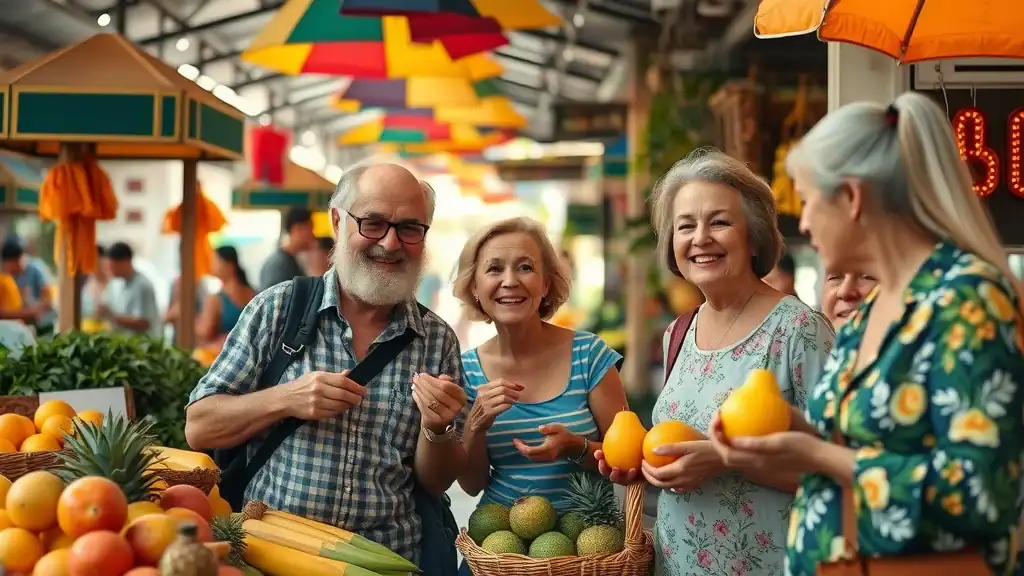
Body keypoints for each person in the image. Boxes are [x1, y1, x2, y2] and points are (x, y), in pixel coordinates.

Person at [709, 93, 1024, 575]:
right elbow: (870, 446)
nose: (805, 220)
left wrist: (817, 453)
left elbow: (980, 491)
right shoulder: (876, 307)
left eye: (810, 198)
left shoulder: (968, 300)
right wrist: (799, 433)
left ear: (853, 198)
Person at [185, 163, 466, 565]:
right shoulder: (277, 309)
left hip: (386, 562)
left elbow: (435, 483)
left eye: (409, 228)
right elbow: (199, 426)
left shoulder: (436, 341)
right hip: (270, 559)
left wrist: (437, 428)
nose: (390, 243)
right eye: (372, 223)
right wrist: (285, 398)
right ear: (337, 220)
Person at [595, 148, 835, 575]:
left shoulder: (798, 330)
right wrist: (643, 461)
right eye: (685, 226)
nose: (700, 238)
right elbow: (681, 440)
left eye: (719, 222)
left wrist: (723, 459)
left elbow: (838, 469)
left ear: (753, 234)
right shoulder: (678, 332)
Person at [453, 217, 627, 509]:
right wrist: (475, 425)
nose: (510, 281)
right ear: (474, 287)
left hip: (589, 544)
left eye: (525, 267)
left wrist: (576, 446)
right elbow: (472, 486)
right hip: (501, 544)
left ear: (545, 283)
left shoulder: (589, 354)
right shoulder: (466, 371)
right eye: (494, 269)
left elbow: (629, 459)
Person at [96, 242, 161, 338]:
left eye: (112, 266)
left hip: (142, 346)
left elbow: (144, 323)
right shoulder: (115, 284)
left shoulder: (142, 285)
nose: (109, 270)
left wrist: (112, 316)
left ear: (125, 262)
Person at [195, 246, 256, 348]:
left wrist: (191, 321)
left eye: (215, 261)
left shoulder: (216, 299)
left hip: (223, 354)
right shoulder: (253, 293)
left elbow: (205, 332)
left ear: (229, 265)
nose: (212, 265)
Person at [0, 240, 54, 331]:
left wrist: (32, 311)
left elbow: (48, 302)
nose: (13, 273)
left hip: (42, 324)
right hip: (20, 322)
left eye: (15, 267)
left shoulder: (36, 269)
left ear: (21, 258)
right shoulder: (7, 277)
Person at [259, 207, 316, 291]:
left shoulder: (290, 260)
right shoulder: (279, 265)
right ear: (296, 229)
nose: (313, 235)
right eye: (310, 229)